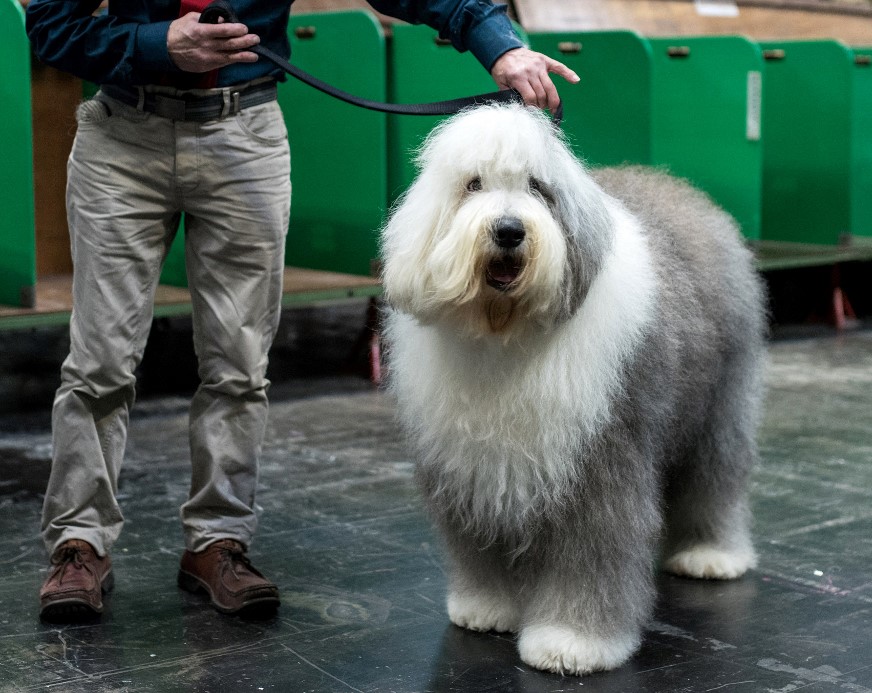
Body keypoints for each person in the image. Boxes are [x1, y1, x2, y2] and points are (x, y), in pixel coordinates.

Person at [25, 0, 579, 622]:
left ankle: (218, 542)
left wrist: (496, 41)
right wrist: (157, 45)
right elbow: (49, 26)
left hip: (244, 137)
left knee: (239, 362)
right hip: (122, 135)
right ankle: (79, 545)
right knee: (100, 361)